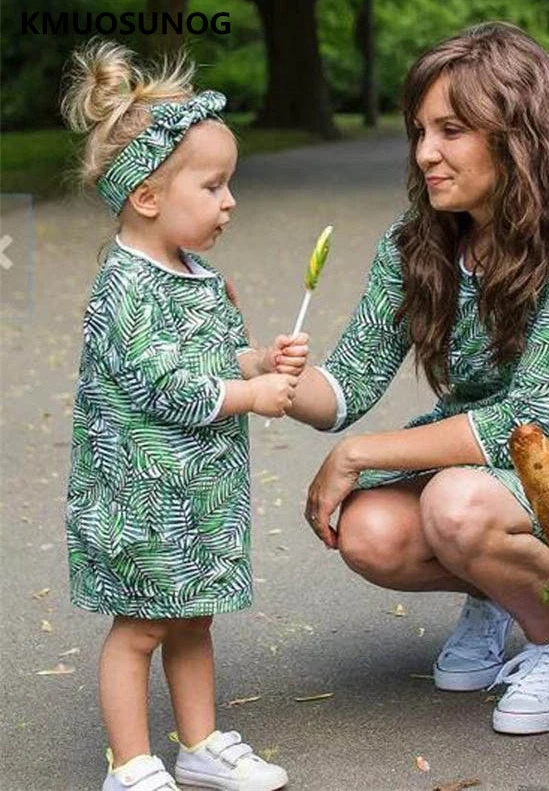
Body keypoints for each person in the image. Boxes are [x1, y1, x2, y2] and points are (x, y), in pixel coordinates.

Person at [283, 22, 549, 736]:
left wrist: (359, 455)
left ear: (517, 132)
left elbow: (524, 418)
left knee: (456, 507)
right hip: (481, 467)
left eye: (452, 130)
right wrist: (266, 378)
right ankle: (504, 591)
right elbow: (345, 388)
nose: (426, 152)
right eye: (421, 130)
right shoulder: (419, 241)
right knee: (368, 530)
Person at [61, 40, 308, 791]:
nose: (230, 201)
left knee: (194, 617)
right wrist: (250, 397)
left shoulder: (198, 274)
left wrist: (257, 363)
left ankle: (198, 746)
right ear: (147, 197)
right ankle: (130, 765)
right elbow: (164, 385)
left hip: (195, 496)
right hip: (140, 498)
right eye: (214, 186)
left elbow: (208, 367)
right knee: (139, 628)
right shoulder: (124, 286)